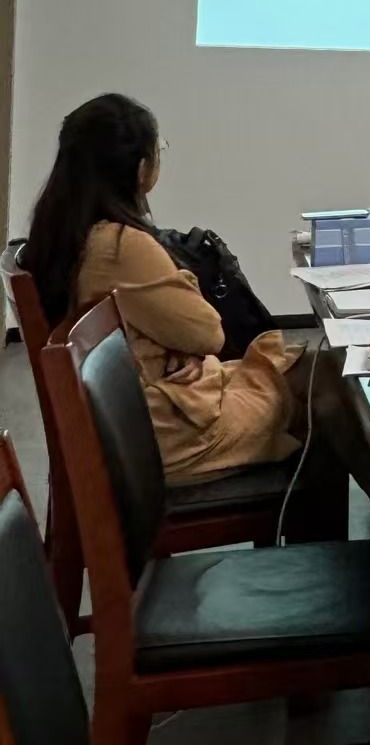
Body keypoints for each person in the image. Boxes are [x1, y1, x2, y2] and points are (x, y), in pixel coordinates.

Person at [23, 94, 302, 483]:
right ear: (142, 170)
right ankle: (349, 518)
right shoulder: (121, 247)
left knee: (304, 372)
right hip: (166, 435)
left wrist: (183, 350)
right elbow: (209, 332)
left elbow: (169, 332)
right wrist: (190, 342)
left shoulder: (61, 233)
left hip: (130, 415)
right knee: (323, 390)